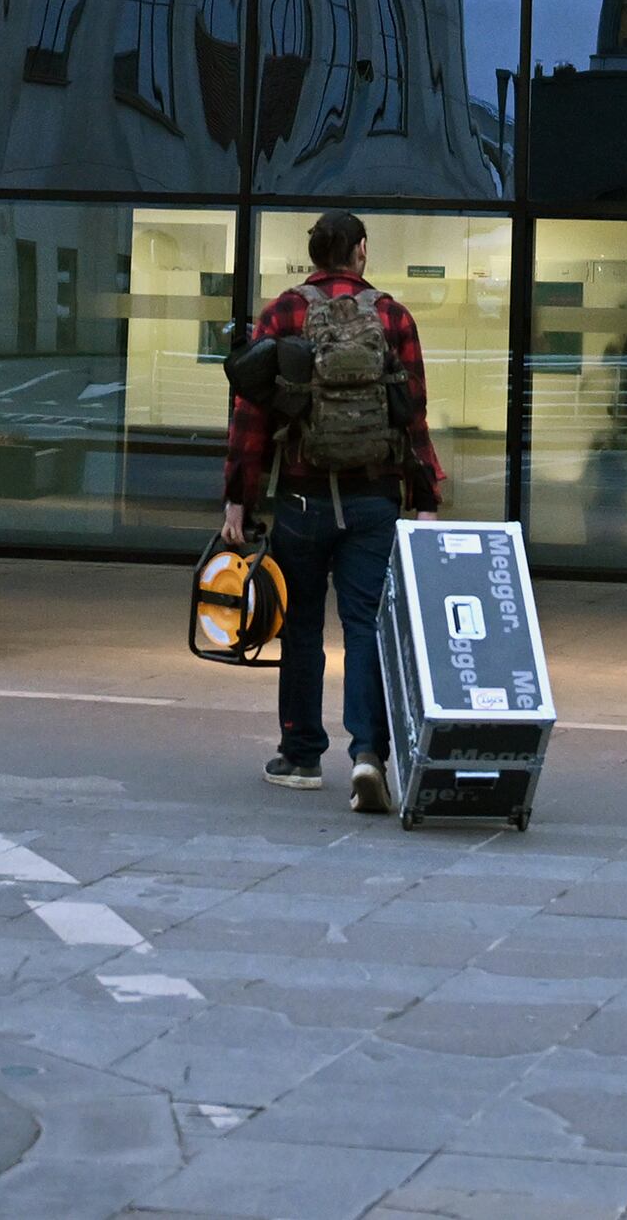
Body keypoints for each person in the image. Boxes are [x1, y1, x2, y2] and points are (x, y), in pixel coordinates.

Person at [221, 207, 445, 813]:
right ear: (361, 251)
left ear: (314, 254)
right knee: (366, 624)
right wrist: (426, 497)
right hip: (373, 498)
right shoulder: (392, 314)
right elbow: (413, 414)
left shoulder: (283, 313)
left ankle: (300, 755)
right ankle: (370, 751)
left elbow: (252, 416)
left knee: (300, 627)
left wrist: (238, 497)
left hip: (301, 496)